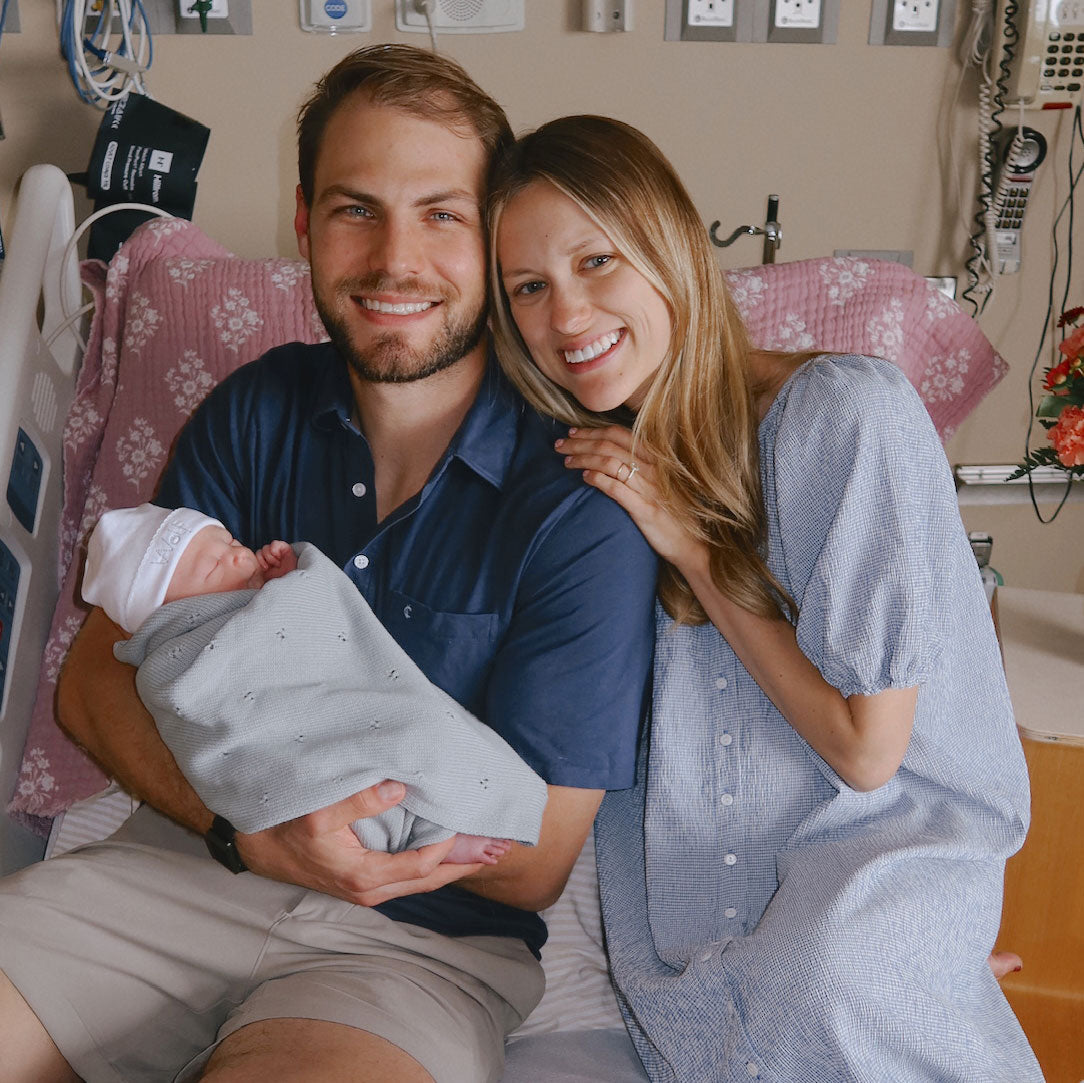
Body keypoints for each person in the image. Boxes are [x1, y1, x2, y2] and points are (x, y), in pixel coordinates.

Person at [0, 52, 657, 1083]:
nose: (396, 259)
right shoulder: (255, 411)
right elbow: (89, 691)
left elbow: (530, 865)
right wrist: (247, 831)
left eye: (440, 214)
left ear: (491, 235)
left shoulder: (580, 502)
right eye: (358, 209)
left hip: (410, 951)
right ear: (304, 222)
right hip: (165, 879)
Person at [488, 115, 1043, 1081]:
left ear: (672, 251)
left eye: (597, 262)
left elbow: (868, 752)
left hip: (855, 910)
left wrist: (699, 556)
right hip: (684, 957)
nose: (566, 316)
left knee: (825, 982)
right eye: (529, 287)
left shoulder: (844, 415)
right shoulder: (589, 476)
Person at [81, 501, 549, 865]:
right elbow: (199, 698)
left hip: (339, 711)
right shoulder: (174, 658)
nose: (239, 554)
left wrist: (285, 582)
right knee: (353, 777)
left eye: (228, 541)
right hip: (281, 766)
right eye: (213, 565)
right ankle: (428, 836)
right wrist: (272, 598)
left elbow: (314, 618)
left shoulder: (252, 592)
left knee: (418, 723)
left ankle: (448, 820)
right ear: (166, 609)